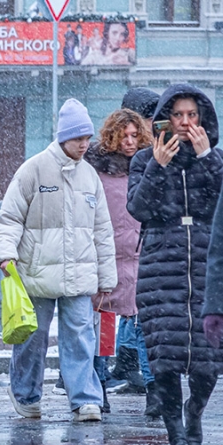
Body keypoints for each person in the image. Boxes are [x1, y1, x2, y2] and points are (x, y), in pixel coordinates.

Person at [0, 99, 116, 422]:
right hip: (36, 273)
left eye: (88, 138)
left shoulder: (90, 177)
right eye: (79, 139)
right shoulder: (32, 169)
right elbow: (9, 218)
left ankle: (85, 399)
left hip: (79, 275)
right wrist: (5, 255)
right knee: (33, 339)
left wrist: (107, 280)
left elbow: (102, 231)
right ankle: (25, 395)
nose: (85, 145)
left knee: (80, 337)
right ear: (63, 137)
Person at [127, 84, 223, 445]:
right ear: (165, 118)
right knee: (164, 357)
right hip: (159, 267)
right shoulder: (143, 161)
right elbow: (138, 209)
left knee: (206, 360)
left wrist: (208, 158)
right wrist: (157, 165)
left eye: (192, 115)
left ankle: (194, 413)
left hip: (203, 264)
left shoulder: (215, 159)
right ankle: (176, 433)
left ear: (202, 119)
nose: (185, 123)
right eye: (178, 115)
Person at [82, 108, 153, 414]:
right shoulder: (96, 170)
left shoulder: (152, 166)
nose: (129, 142)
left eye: (135, 135)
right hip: (106, 258)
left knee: (147, 329)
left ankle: (156, 393)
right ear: (111, 136)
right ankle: (99, 388)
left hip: (142, 256)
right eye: (123, 135)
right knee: (103, 329)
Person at [104, 88, 161, 411]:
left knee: (142, 319)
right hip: (113, 250)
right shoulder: (104, 164)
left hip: (142, 249)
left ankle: (153, 387)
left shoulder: (154, 156)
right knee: (107, 318)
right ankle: (99, 385)